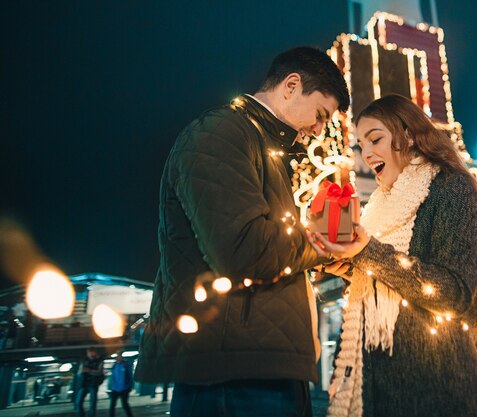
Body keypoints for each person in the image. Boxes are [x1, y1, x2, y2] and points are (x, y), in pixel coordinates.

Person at [134, 46, 349, 417]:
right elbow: (244, 250)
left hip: (257, 365)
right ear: (291, 85)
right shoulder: (221, 133)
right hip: (234, 377)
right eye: (320, 115)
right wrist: (324, 243)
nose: (319, 130)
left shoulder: (261, 147)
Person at [307, 94, 477, 417]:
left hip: (438, 387)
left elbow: (454, 293)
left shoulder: (452, 188)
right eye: (361, 145)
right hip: (377, 389)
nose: (366, 154)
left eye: (375, 139)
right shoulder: (377, 207)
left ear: (407, 135)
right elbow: (388, 277)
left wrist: (368, 253)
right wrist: (352, 268)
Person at [76, 347, 104, 417]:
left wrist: (89, 371)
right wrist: (82, 371)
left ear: (94, 352)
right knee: (78, 402)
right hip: (84, 384)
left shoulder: (99, 361)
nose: (90, 354)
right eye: (88, 353)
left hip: (93, 384)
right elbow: (79, 373)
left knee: (93, 403)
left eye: (91, 352)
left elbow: (99, 372)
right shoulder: (84, 361)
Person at [109, 351, 134, 417]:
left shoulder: (126, 365)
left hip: (124, 388)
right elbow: (113, 377)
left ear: (121, 357)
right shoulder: (114, 365)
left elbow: (130, 375)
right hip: (115, 388)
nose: (117, 357)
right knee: (112, 405)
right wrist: (112, 387)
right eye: (116, 356)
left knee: (125, 405)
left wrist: (130, 386)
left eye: (118, 356)